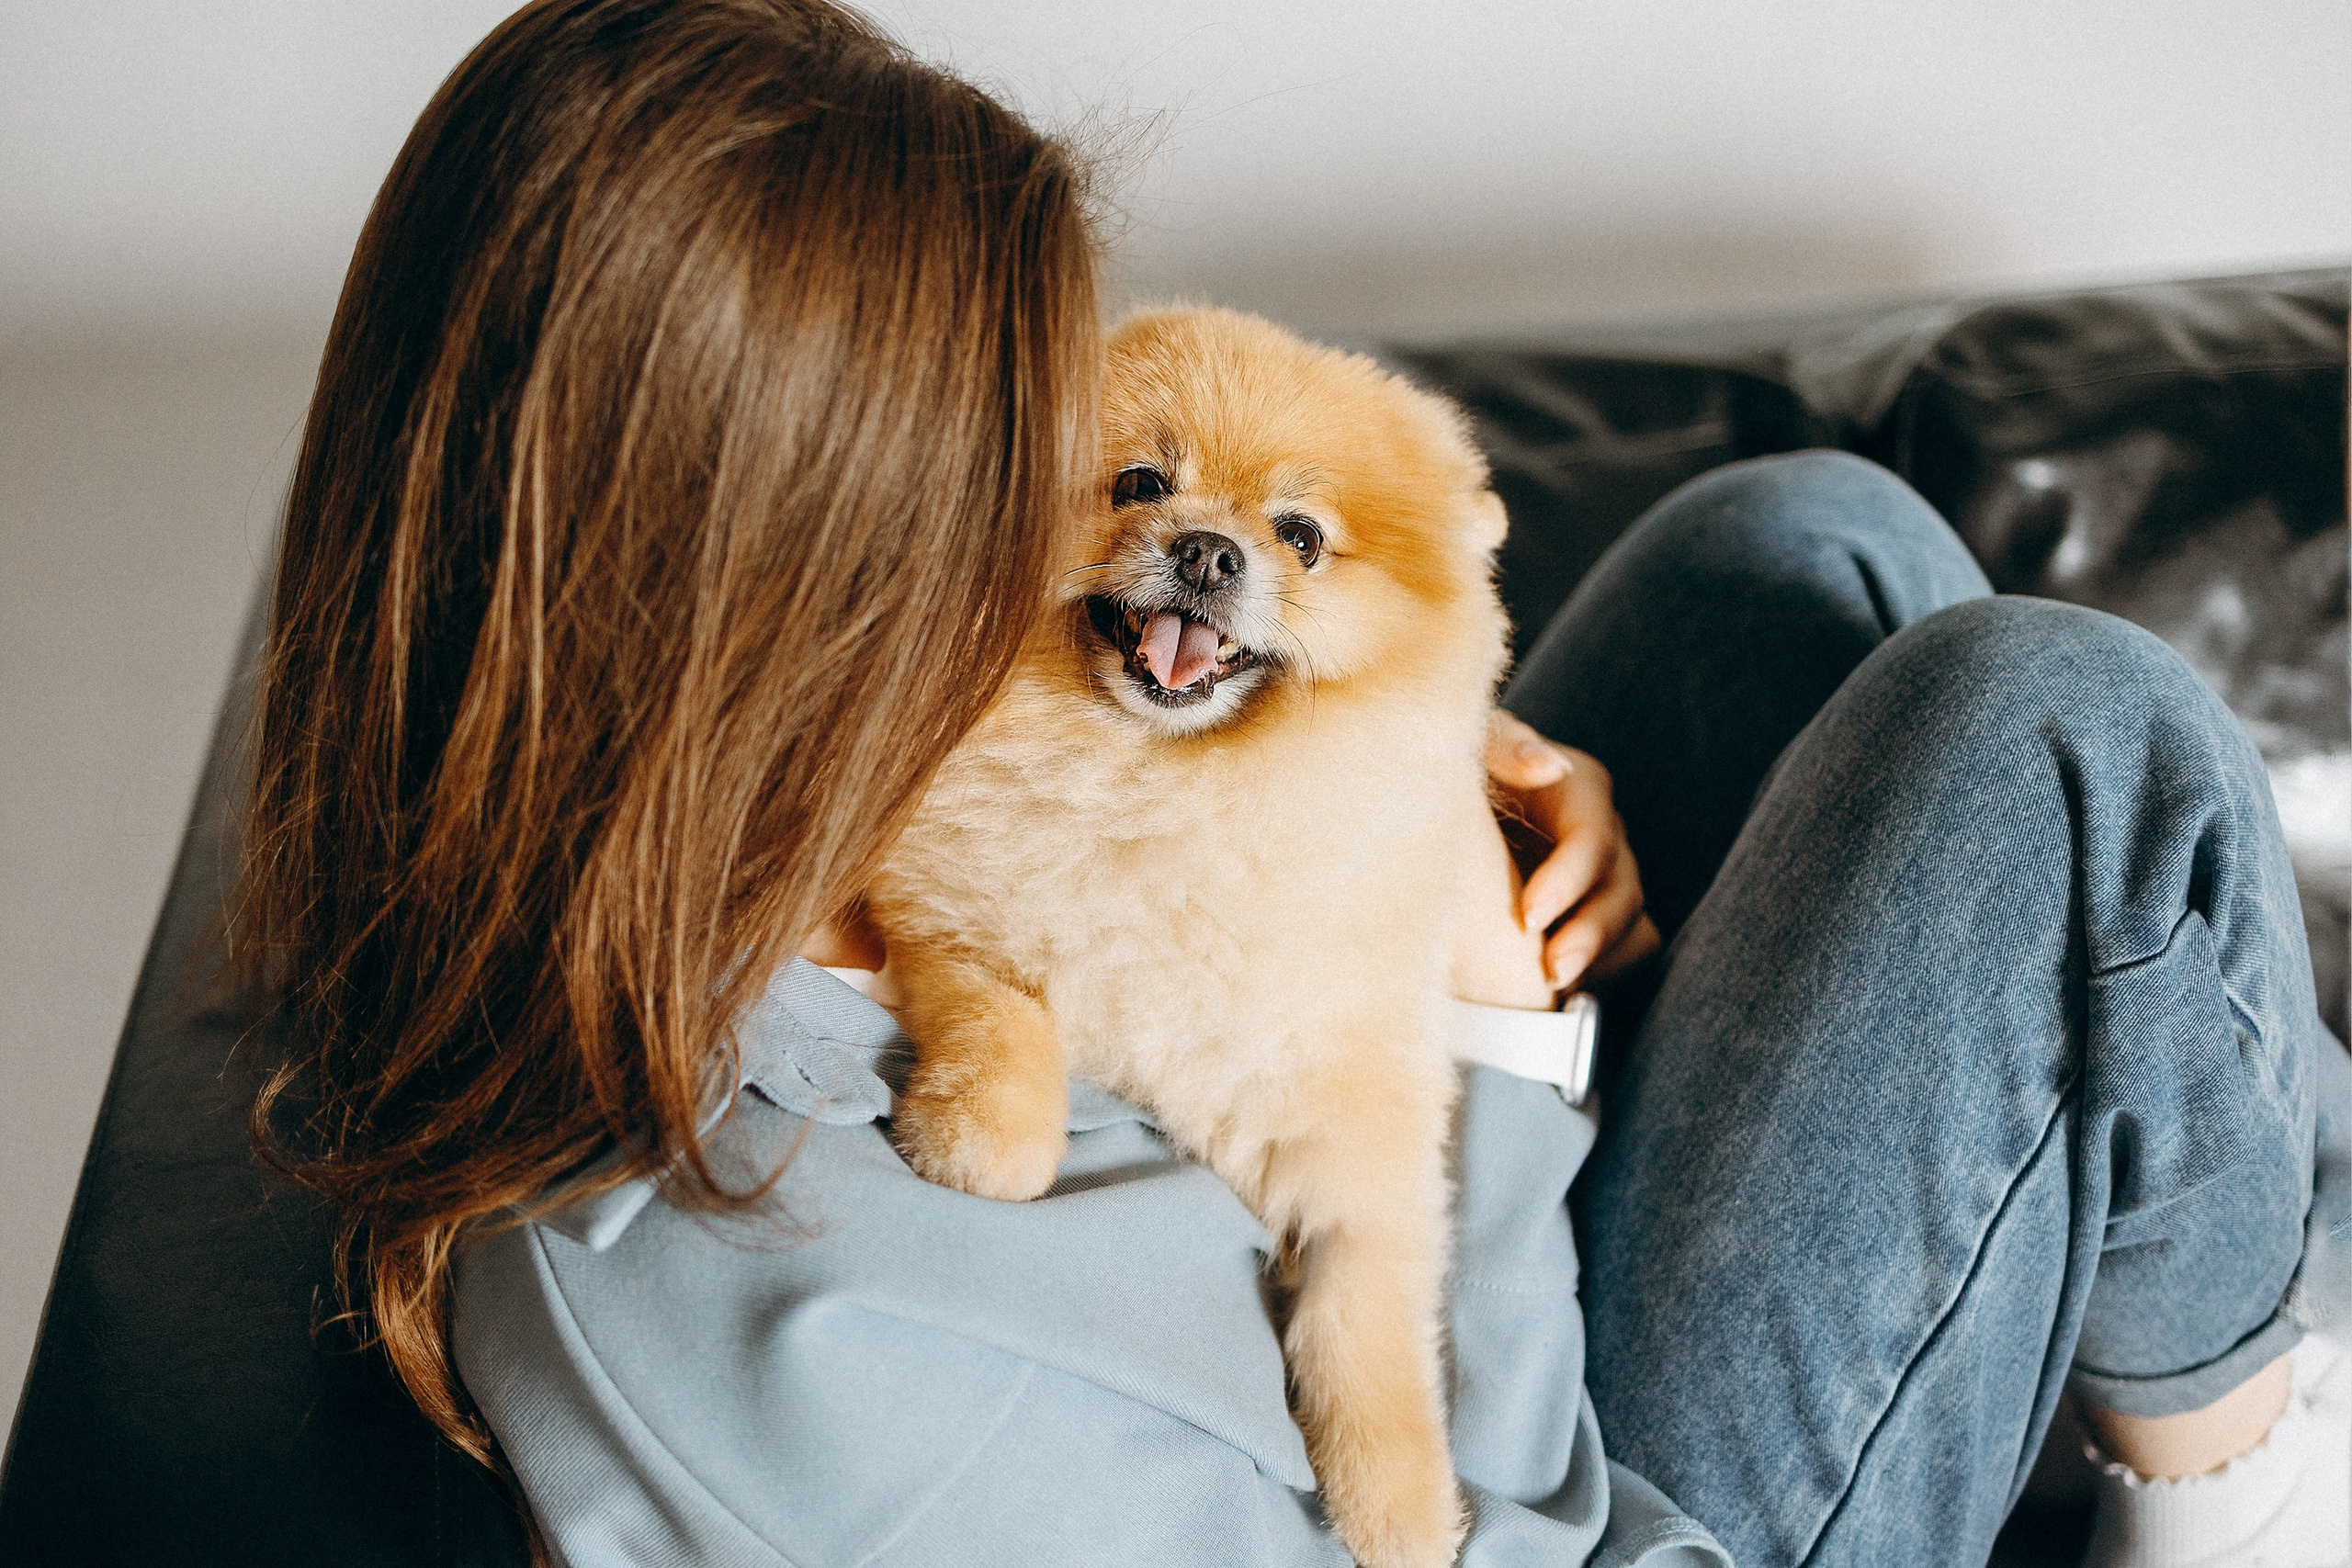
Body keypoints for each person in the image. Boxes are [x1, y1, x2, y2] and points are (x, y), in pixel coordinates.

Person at [241, 1, 2348, 1564]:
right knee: (2066, 745)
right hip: (1529, 1485)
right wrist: (1488, 1036)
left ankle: (2212, 1282)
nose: (1034, 527)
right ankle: (2248, 1482)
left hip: (1378, 1219)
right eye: (1003, 462)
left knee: (1797, 555)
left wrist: (1407, 779)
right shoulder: (788, 1344)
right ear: (780, 564)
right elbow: (1455, 1525)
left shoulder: (790, 796)